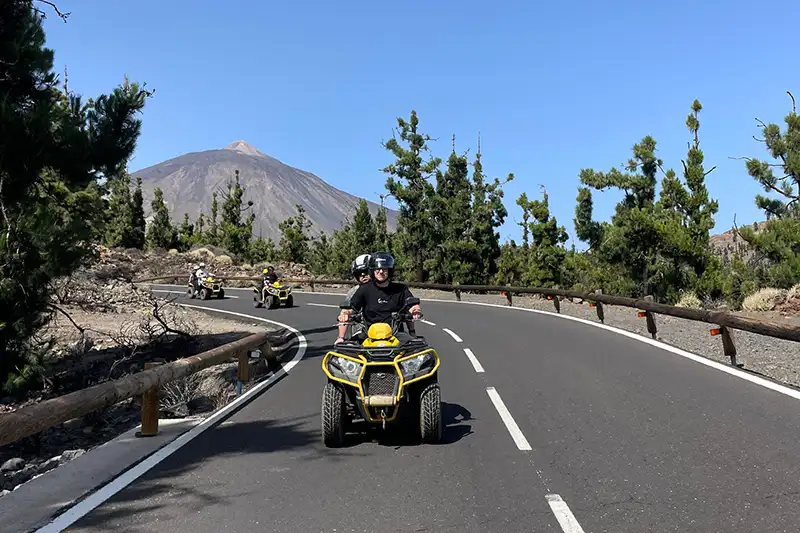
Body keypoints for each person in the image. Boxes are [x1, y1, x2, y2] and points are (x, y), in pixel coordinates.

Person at [335, 252, 422, 344]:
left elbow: (413, 305)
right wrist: (344, 316)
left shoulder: (401, 289)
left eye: (384, 269)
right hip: (368, 334)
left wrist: (416, 311)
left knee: (418, 350)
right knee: (346, 352)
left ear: (389, 270)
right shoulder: (364, 289)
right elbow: (350, 308)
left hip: (395, 334)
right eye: (377, 269)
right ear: (372, 271)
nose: (381, 272)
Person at [335, 254, 372, 341]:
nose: (363, 275)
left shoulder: (388, 289)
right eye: (359, 273)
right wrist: (341, 337)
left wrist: (411, 332)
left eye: (366, 272)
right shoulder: (353, 292)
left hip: (388, 332)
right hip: (361, 332)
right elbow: (345, 311)